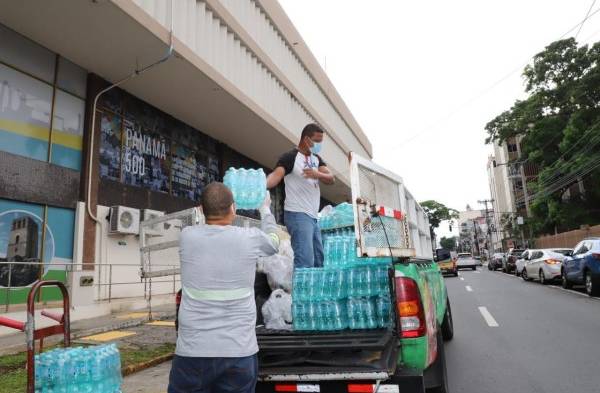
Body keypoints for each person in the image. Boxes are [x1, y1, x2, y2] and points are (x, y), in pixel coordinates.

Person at [168, 182, 279, 393]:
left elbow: (203, 224)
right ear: (233, 209)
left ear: (201, 209)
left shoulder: (187, 236)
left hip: (192, 354)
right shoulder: (250, 238)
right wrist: (265, 209)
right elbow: (273, 242)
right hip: (238, 353)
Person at [266, 123, 334, 268]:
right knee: (305, 261)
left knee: (318, 261)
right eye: (317, 141)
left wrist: (317, 174)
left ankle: (314, 291)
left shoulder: (317, 159)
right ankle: (300, 291)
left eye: (321, 141)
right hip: (298, 214)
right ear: (306, 139)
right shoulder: (290, 157)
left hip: (313, 217)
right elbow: (276, 176)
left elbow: (331, 178)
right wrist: (260, 185)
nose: (319, 144)